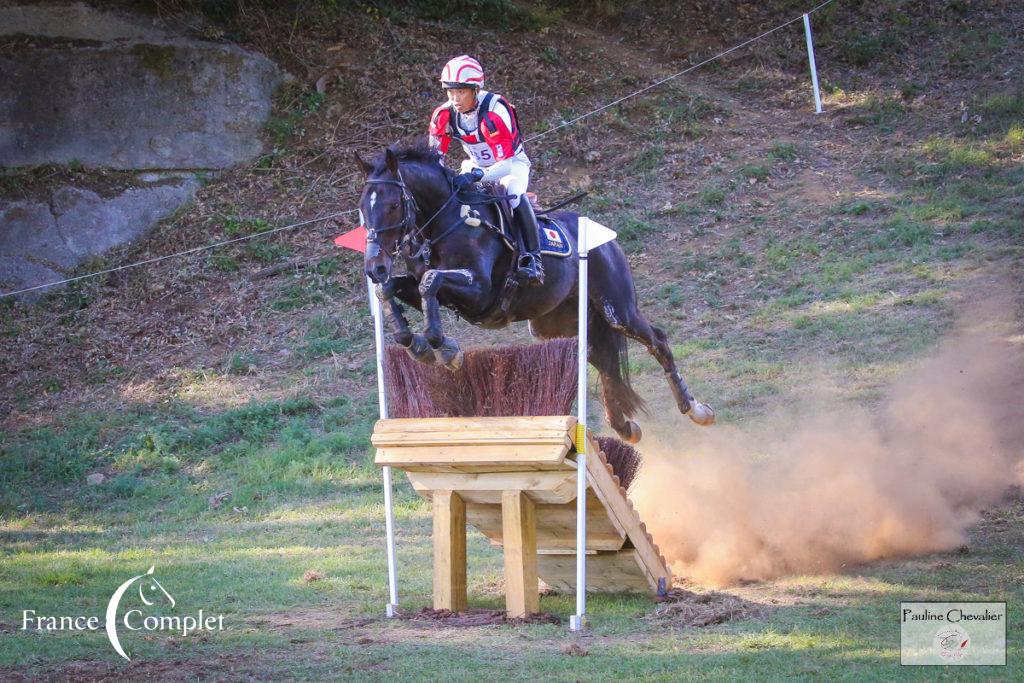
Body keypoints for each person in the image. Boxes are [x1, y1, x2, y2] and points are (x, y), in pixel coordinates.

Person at [428, 55, 544, 286]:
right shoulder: (443, 115)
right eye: (450, 91)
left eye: (461, 91)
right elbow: (434, 157)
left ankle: (532, 257)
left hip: (511, 165)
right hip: (474, 164)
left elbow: (506, 163)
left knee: (513, 193)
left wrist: (477, 175)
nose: (455, 98)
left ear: (475, 89)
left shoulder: (493, 113)